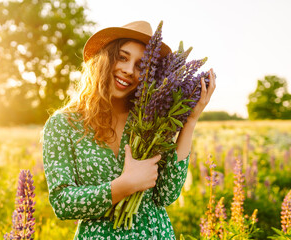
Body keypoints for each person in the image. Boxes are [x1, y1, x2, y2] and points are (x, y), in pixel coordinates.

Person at [43, 21, 216, 239]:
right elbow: (62, 203)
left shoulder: (149, 119)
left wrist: (190, 120)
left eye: (140, 66)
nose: (128, 70)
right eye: (122, 57)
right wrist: (124, 185)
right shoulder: (63, 124)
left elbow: (166, 194)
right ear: (104, 58)